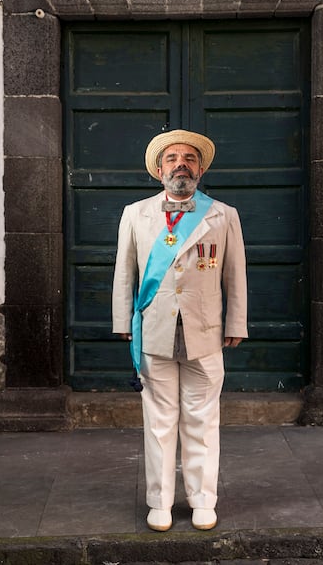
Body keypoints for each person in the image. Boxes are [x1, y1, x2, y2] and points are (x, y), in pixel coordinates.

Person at [112, 129, 248, 532]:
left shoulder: (222, 215)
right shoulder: (136, 214)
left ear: (201, 169)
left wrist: (236, 322)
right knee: (158, 423)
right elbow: (125, 274)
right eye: (171, 158)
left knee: (202, 421)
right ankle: (160, 502)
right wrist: (123, 322)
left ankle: (203, 500)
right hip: (153, 333)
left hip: (204, 333)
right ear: (158, 170)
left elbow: (235, 275)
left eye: (189, 158)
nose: (180, 164)